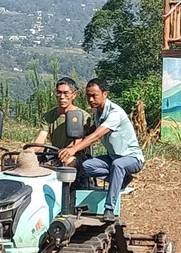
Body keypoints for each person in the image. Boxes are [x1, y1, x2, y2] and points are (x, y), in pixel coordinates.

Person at [59, 78, 144, 222]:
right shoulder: (98, 113)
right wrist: (71, 145)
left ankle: (109, 209)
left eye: (94, 95)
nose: (91, 99)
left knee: (118, 165)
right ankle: (121, 178)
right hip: (113, 157)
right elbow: (91, 131)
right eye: (88, 96)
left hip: (132, 158)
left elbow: (97, 135)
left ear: (105, 94)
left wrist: (74, 149)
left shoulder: (114, 113)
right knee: (86, 166)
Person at [33, 77, 91, 186]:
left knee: (69, 161)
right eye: (59, 93)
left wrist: (66, 151)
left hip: (75, 154)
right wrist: (30, 151)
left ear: (74, 95)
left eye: (66, 93)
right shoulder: (49, 116)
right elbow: (41, 138)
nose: (62, 97)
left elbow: (77, 141)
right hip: (54, 153)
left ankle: (65, 195)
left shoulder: (83, 116)